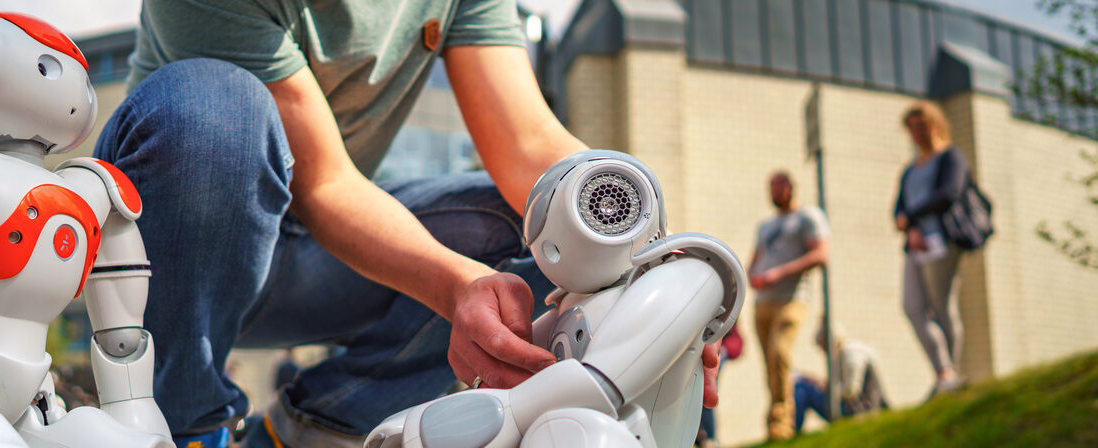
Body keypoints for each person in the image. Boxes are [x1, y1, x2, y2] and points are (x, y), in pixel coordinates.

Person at [94, 1, 721, 446]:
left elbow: (530, 147)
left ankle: (321, 430)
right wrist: (455, 287)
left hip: (312, 261)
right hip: (175, 250)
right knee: (214, 112)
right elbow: (324, 184)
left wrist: (657, 274)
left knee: (544, 220)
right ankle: (183, 427)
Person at [894, 101, 969, 397]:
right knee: (912, 306)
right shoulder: (910, 170)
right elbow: (898, 209)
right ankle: (944, 371)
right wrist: (911, 228)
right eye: (911, 128)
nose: (916, 133)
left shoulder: (951, 156)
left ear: (935, 125)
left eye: (921, 126)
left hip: (943, 241)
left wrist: (911, 216)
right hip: (916, 245)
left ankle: (951, 374)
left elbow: (949, 193)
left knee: (943, 307)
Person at [748, 171, 830, 441]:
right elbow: (756, 259)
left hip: (792, 298)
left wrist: (780, 273)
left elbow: (821, 254)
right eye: (771, 186)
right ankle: (775, 420)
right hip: (763, 302)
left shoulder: (808, 217)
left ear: (791, 188)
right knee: (770, 364)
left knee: (780, 353)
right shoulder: (765, 226)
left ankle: (783, 424)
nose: (774, 191)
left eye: (779, 185)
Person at [792, 319, 888, 432]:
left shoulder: (851, 354)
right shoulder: (843, 355)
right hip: (855, 407)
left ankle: (792, 431)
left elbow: (850, 391)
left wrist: (827, 388)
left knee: (801, 388)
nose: (823, 352)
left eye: (823, 346)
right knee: (803, 385)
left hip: (858, 410)